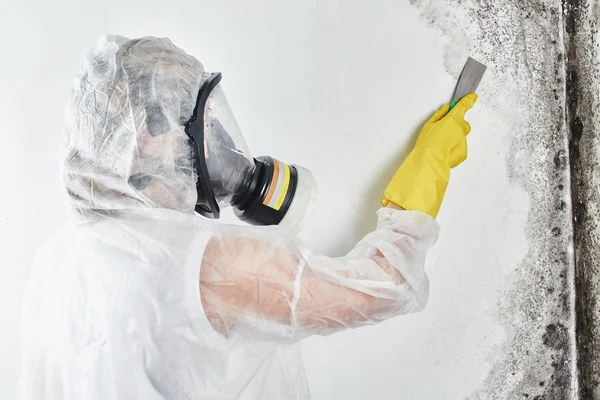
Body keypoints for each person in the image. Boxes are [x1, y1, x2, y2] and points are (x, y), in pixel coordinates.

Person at [19, 35, 478, 400]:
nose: (212, 139)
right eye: (194, 120)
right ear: (145, 135)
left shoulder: (53, 262)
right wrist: (425, 171)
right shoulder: (207, 265)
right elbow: (388, 285)